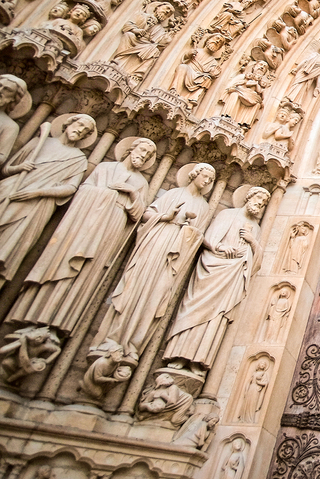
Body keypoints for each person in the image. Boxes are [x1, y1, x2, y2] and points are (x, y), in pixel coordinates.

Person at [10, 137, 155, 336]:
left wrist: (131, 193)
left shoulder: (141, 183)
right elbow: (81, 191)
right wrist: (108, 195)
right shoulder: (104, 167)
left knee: (87, 272)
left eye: (148, 155)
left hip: (112, 226)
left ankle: (59, 323)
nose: (144, 155)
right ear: (132, 148)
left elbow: (137, 215)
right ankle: (31, 316)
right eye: (142, 150)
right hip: (84, 222)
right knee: (64, 256)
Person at [91, 163, 216, 360]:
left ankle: (133, 345)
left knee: (156, 296)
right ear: (195, 174)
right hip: (156, 243)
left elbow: (198, 236)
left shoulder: (204, 206)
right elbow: (146, 215)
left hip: (175, 256)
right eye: (205, 176)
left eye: (211, 179)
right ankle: (112, 338)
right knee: (134, 287)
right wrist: (166, 217)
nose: (207, 181)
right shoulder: (174, 193)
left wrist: (189, 230)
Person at [163, 187, 270, 373]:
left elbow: (257, 262)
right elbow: (207, 238)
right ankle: (179, 354)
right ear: (248, 197)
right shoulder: (227, 215)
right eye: (258, 199)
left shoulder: (257, 229)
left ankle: (199, 360)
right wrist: (219, 247)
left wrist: (252, 241)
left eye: (263, 203)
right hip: (212, 268)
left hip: (233, 275)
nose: (259, 204)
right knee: (195, 309)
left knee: (217, 317)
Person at [0, 114, 94, 282]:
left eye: (86, 131)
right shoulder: (40, 142)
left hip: (37, 206)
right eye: (80, 125)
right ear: (68, 124)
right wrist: (20, 167)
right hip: (11, 191)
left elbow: (71, 188)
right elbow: (6, 169)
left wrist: (40, 192)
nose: (81, 130)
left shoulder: (79, 159)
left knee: (9, 249)